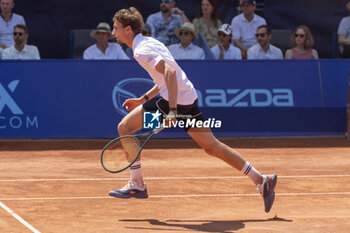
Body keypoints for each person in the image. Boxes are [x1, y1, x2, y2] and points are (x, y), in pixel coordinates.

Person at [109, 7, 277, 213]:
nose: (113, 32)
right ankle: (261, 180)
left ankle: (137, 184)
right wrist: (143, 99)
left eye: (116, 28)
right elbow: (168, 76)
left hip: (174, 103)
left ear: (128, 29)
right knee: (211, 146)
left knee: (125, 128)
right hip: (186, 100)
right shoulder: (149, 42)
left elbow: (170, 73)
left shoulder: (141, 50)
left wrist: (171, 111)